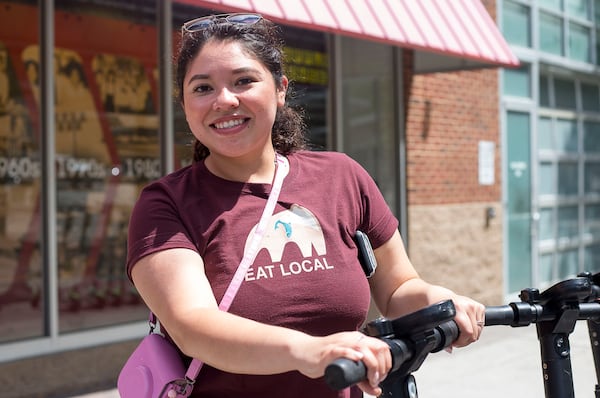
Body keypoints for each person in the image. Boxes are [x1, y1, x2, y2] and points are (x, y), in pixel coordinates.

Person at [127, 13, 486, 398]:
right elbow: (192, 325)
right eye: (202, 88)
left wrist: (440, 300)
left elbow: (399, 288)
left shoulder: (342, 177)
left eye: (243, 81)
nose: (224, 100)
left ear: (280, 89)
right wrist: (309, 351)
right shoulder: (165, 204)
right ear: (184, 104)